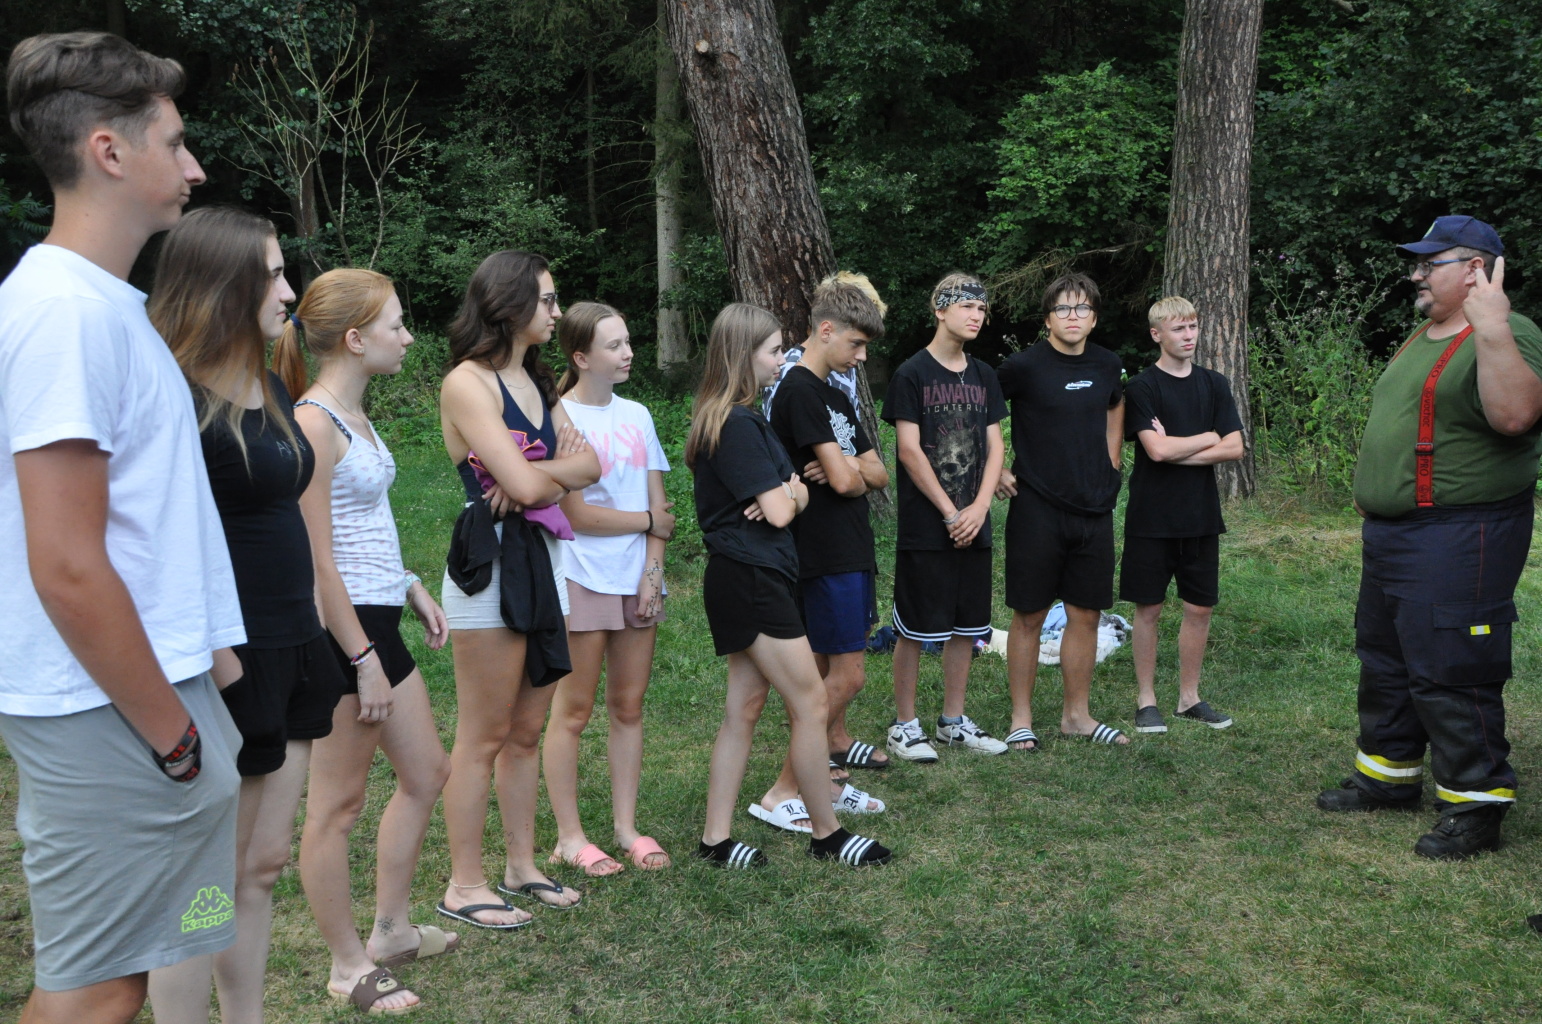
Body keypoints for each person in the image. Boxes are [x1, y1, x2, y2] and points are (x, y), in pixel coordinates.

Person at [0, 33, 244, 1024]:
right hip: (111, 710)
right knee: (96, 990)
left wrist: (208, 680)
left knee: (138, 971)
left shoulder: (107, 307)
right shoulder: (65, 314)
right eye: (175, 143)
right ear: (109, 151)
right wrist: (176, 740)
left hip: (152, 694)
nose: (195, 167)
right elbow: (64, 562)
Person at [143, 207, 346, 1024]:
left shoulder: (267, 382)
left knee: (259, 868)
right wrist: (225, 665)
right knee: (203, 886)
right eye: (271, 274)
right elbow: (155, 544)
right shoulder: (173, 396)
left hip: (295, 645)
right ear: (223, 285)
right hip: (228, 661)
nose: (289, 292)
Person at [1317, 216, 1542, 861]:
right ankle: (1388, 778)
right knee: (1386, 659)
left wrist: (1493, 326)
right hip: (1397, 534)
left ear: (1474, 270)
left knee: (1452, 668)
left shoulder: (1510, 332)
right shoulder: (1425, 333)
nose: (1416, 274)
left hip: (1461, 533)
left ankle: (1476, 805)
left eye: (1429, 263)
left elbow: (1516, 416)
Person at [273, 268, 454, 1013]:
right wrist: (361, 658)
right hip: (339, 635)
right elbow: (317, 561)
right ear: (354, 338)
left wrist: (410, 584)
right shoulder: (314, 422)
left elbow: (363, 527)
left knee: (428, 772)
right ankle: (348, 966)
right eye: (396, 325)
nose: (408, 337)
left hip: (377, 619)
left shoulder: (356, 415)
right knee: (337, 805)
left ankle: (391, 931)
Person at [688, 302, 892, 867]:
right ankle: (827, 834)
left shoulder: (730, 417)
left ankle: (714, 841)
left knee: (744, 708)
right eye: (774, 350)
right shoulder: (737, 423)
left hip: (745, 575)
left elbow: (784, 496)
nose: (783, 359)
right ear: (743, 354)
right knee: (810, 699)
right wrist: (793, 491)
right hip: (753, 579)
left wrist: (787, 491)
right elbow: (783, 508)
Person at [437, 251, 601, 925]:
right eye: (548, 300)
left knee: (528, 730)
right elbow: (541, 482)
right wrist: (546, 476)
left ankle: (521, 866)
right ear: (509, 307)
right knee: (484, 734)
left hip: (541, 561)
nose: (557, 312)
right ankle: (464, 884)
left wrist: (540, 476)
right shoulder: (467, 383)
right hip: (488, 568)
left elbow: (589, 466)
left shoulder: (539, 383)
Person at [541, 301, 675, 875]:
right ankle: (569, 837)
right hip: (581, 575)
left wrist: (652, 572)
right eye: (614, 345)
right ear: (580, 357)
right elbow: (578, 516)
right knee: (573, 711)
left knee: (628, 706)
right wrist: (646, 523)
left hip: (635, 576)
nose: (628, 353)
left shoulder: (638, 415)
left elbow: (661, 509)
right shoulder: (559, 419)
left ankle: (626, 828)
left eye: (627, 342)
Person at [763, 275, 889, 827]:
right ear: (826, 329)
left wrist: (849, 466)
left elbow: (876, 473)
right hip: (822, 551)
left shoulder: (835, 393)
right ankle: (784, 788)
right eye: (856, 344)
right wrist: (850, 472)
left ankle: (818, 783)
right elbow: (841, 482)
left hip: (850, 546)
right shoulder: (799, 390)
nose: (861, 358)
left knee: (819, 676)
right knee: (848, 676)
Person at [995, 272, 1127, 750]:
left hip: (1094, 508)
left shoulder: (1108, 364)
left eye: (1082, 308)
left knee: (1086, 613)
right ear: (1048, 319)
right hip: (1036, 507)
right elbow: (981, 411)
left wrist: (1112, 462)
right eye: (1064, 309)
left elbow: (1116, 406)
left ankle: (1077, 716)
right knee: (1029, 614)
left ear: (1094, 318)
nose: (1074, 317)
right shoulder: (1022, 366)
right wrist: (996, 469)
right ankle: (1021, 718)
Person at [882, 273, 1008, 763]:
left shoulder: (984, 375)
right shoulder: (911, 374)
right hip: (928, 523)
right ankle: (904, 725)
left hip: (974, 521)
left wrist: (979, 508)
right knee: (914, 627)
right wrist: (951, 512)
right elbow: (909, 450)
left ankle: (953, 722)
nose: (977, 315)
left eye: (982, 308)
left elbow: (995, 446)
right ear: (940, 310)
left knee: (966, 626)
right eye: (967, 307)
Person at [1119, 297, 1244, 735]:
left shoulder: (1214, 384)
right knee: (1149, 608)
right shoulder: (1141, 387)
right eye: (1178, 329)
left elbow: (1235, 447)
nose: (1188, 336)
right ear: (1157, 335)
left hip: (1201, 515)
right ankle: (1146, 700)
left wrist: (1181, 448)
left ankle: (1189, 698)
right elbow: (1155, 450)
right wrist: (1209, 437)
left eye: (1192, 327)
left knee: (1199, 608)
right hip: (1151, 517)